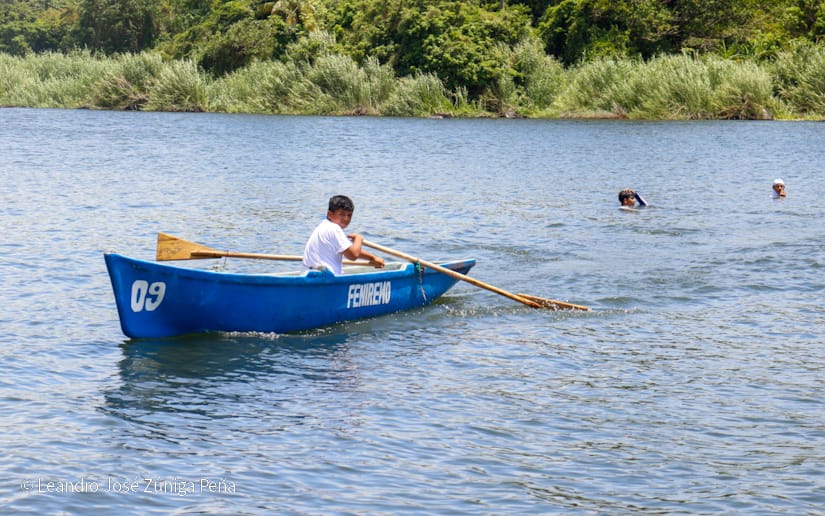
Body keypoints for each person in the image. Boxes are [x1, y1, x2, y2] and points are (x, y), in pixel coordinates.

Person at [303, 195, 385, 274]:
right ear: (330, 214)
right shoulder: (334, 228)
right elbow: (353, 255)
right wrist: (359, 238)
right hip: (326, 278)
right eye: (342, 214)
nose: (346, 218)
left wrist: (372, 258)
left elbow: (349, 251)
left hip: (313, 275)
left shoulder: (323, 226)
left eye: (349, 215)